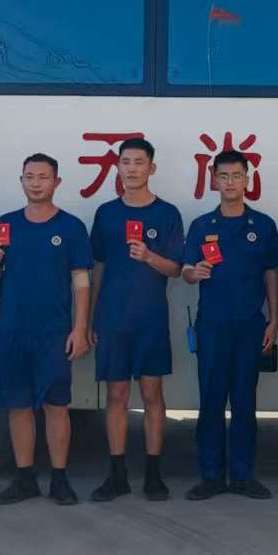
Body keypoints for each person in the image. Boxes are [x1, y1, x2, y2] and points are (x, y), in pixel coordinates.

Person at [0, 154, 93, 506]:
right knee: (18, 406)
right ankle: (24, 478)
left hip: (54, 332)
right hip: (13, 330)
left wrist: (80, 328)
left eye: (43, 177)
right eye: (29, 176)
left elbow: (81, 281)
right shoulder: (6, 225)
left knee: (55, 405)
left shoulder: (71, 227)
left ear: (56, 182)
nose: (36, 183)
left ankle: (59, 479)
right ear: (21, 181)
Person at [179, 150, 278, 500]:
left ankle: (242, 475)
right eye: (223, 176)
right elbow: (186, 271)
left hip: (250, 326)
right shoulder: (202, 226)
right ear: (214, 181)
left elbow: (271, 274)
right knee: (211, 401)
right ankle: (210, 476)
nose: (230, 182)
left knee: (243, 402)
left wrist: (273, 320)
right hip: (212, 326)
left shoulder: (263, 225)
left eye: (236, 175)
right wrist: (193, 273)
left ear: (247, 179)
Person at [88, 138, 184, 501]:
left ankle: (154, 473)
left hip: (150, 318)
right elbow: (98, 266)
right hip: (113, 318)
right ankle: (117, 474)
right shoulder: (106, 213)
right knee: (116, 394)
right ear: (117, 168)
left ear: (151, 168)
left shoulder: (167, 214)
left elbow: (175, 269)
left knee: (152, 393)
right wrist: (92, 317)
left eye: (139, 162)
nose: (132, 169)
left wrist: (148, 256)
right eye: (125, 162)